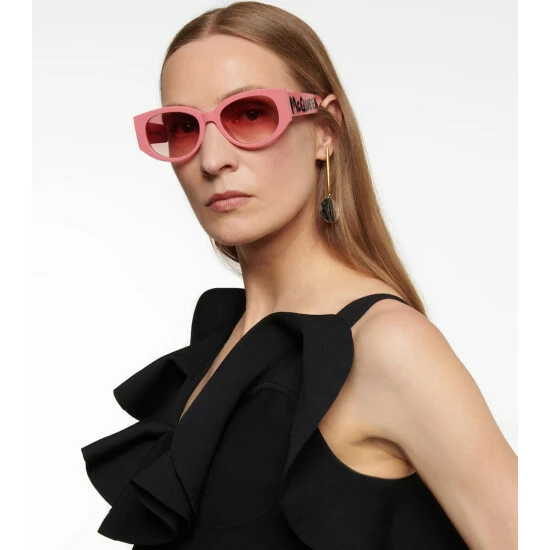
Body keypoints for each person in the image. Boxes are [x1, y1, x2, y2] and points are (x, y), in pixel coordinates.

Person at [81, 2, 518, 549]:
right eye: (183, 127)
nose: (212, 160)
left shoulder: (385, 345)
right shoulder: (220, 348)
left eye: (249, 114)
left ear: (324, 132)